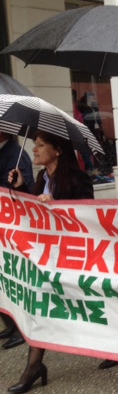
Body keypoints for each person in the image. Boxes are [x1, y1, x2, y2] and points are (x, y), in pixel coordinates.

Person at [7, 130, 94, 394]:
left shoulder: (79, 180)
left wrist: (57, 206)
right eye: (35, 145)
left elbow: (90, 217)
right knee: (39, 304)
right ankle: (34, 367)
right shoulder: (41, 178)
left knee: (93, 306)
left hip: (74, 258)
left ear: (57, 150)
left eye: (41, 145)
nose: (34, 150)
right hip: (48, 257)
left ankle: (117, 349)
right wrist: (20, 188)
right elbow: (32, 213)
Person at [0, 132, 34, 350]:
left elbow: (17, 190)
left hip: (13, 227)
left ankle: (21, 328)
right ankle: (11, 324)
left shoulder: (15, 154)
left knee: (14, 280)